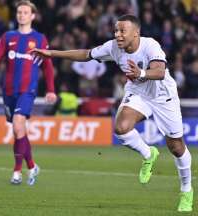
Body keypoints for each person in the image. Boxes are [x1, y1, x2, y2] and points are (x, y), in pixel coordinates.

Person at [31, 14, 193, 212]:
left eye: (122, 30)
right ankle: (148, 153)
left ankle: (186, 190)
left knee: (176, 147)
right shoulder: (113, 47)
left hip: (162, 96)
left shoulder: (150, 45)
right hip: (138, 93)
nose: (117, 34)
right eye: (116, 30)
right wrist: (52, 54)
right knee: (121, 128)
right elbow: (86, 54)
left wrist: (141, 73)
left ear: (136, 33)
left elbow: (159, 72)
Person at [0, 0, 56, 186]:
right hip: (8, 91)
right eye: (19, 12)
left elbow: (47, 67)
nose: (21, 15)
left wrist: (50, 90)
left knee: (17, 126)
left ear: (32, 16)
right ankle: (30, 167)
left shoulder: (40, 39)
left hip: (27, 91)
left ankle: (17, 171)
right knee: (18, 131)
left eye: (25, 12)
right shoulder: (8, 37)